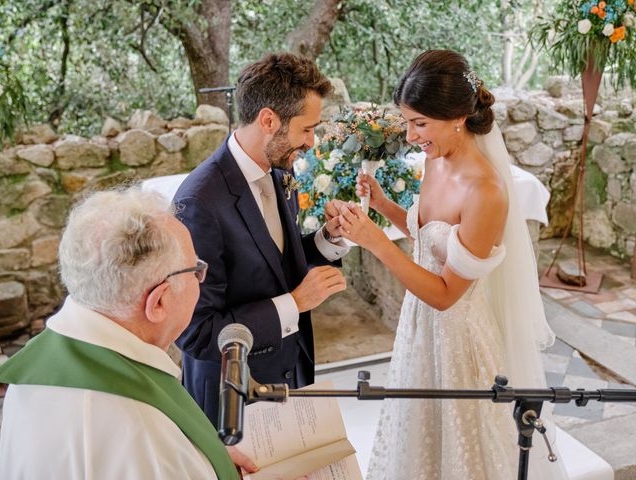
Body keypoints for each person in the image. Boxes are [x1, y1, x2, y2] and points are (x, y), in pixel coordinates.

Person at [337, 50, 568, 479]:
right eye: (407, 121)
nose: (410, 136)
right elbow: (430, 239)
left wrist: (374, 243)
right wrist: (383, 205)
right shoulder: (435, 159)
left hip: (457, 339)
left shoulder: (487, 192)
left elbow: (446, 294)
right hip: (417, 327)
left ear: (458, 115)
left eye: (419, 123)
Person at [0, 188, 255, 480]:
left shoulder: (30, 378)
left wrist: (201, 459)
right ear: (158, 302)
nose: (200, 279)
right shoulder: (145, 432)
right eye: (196, 270)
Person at [174, 52, 349, 426]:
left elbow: (272, 260)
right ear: (268, 119)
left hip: (289, 375)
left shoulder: (276, 168)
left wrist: (326, 240)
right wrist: (294, 304)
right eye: (306, 129)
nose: (312, 142)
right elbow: (195, 332)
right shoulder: (199, 202)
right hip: (234, 399)